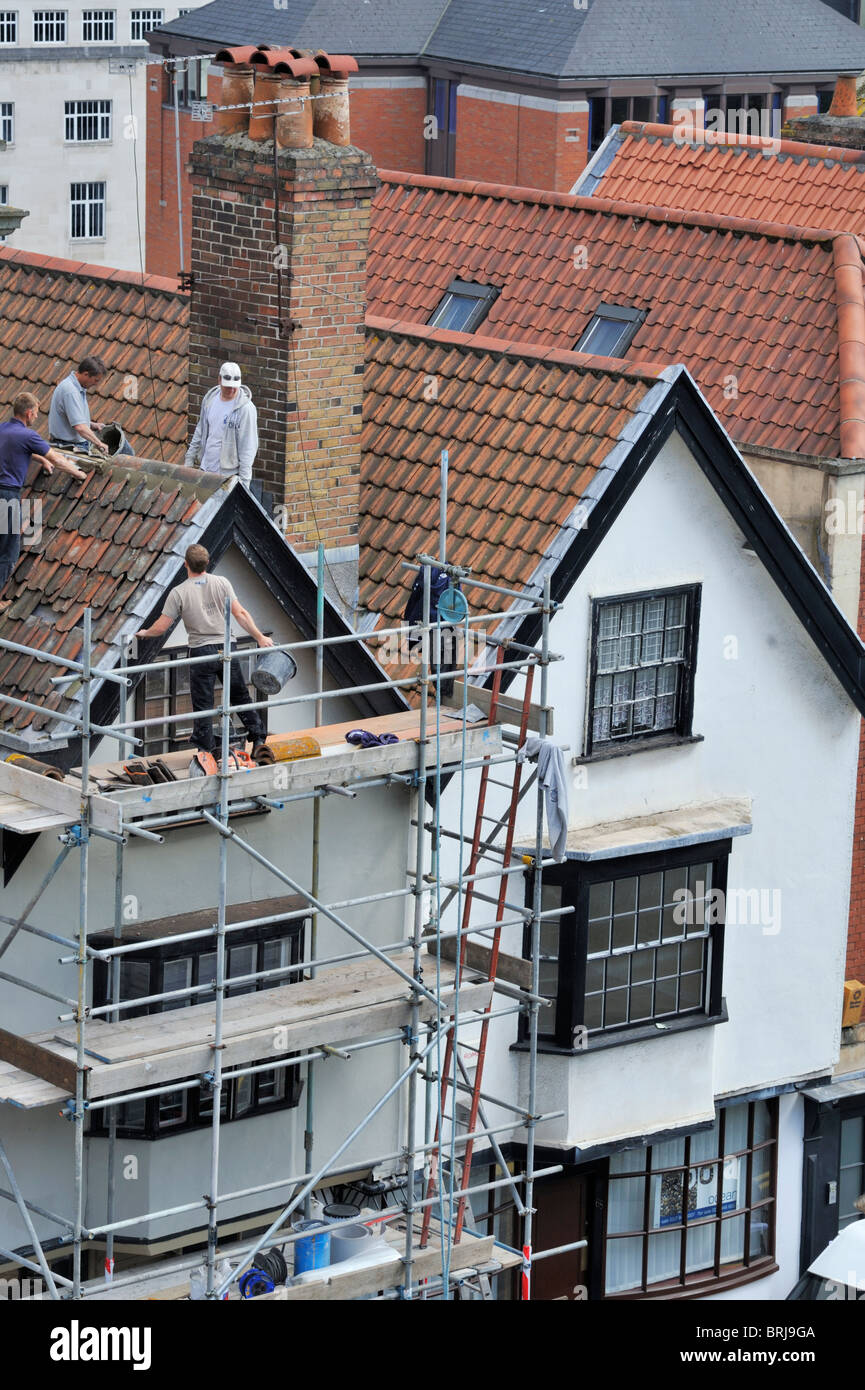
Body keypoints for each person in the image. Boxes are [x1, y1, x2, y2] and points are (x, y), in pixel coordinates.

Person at [134, 544, 273, 760]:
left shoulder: (179, 592)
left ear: (185, 564)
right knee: (239, 696)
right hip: (227, 647)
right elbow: (241, 614)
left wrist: (143, 633)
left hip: (201, 652)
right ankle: (258, 740)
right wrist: (260, 637)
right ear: (207, 563)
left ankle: (205, 752)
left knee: (203, 704)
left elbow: (161, 627)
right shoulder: (222, 583)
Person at [0, 392, 89, 610]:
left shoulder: (3, 429)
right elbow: (58, 459)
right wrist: (79, 474)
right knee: (7, 550)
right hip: (7, 498)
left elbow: (17, 449)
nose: (37, 417)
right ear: (29, 413)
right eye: (37, 413)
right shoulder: (29, 436)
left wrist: (38, 457)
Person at [184, 362, 258, 484]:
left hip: (227, 477)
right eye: (228, 386)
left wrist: (244, 484)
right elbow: (200, 430)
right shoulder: (210, 399)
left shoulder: (246, 409)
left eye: (235, 386)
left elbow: (248, 447)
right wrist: (189, 460)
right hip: (205, 470)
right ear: (219, 380)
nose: (232, 389)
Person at [48, 356, 110, 455]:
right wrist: (99, 444)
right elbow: (80, 427)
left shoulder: (76, 387)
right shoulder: (70, 391)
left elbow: (72, 417)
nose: (96, 384)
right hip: (68, 446)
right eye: (96, 380)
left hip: (73, 443)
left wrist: (92, 425)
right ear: (86, 374)